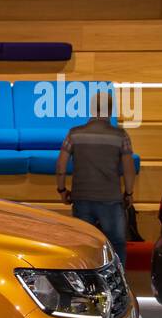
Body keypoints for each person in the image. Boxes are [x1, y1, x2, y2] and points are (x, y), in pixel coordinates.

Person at [55, 91, 135, 267]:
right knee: (117, 243)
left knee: (83, 244)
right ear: (110, 110)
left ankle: (85, 280)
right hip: (111, 200)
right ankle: (117, 281)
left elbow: (61, 166)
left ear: (91, 109)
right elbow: (129, 169)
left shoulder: (74, 134)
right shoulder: (120, 136)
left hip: (81, 198)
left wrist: (62, 190)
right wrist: (129, 193)